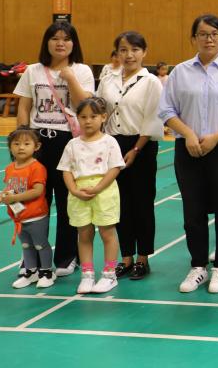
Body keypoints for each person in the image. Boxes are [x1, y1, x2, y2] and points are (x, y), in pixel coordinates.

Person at [159, 14, 218, 294]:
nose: (209, 39)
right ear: (193, 39)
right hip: (188, 148)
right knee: (193, 212)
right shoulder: (180, 72)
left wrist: (216, 137)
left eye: (214, 34)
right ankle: (198, 265)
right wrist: (188, 134)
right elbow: (166, 110)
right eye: (203, 34)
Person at [14, 21, 95, 277]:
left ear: (74, 43)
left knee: (66, 199)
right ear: (46, 42)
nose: (61, 43)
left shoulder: (81, 70)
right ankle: (33, 257)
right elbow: (24, 107)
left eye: (66, 38)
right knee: (35, 201)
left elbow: (84, 106)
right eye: (55, 38)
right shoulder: (33, 71)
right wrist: (23, 140)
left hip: (67, 141)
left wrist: (69, 78)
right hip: (38, 141)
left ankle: (66, 256)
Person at [97, 31, 163, 281]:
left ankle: (142, 258)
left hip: (141, 146)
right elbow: (100, 112)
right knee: (119, 203)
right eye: (123, 50)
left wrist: (135, 150)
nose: (129, 55)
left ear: (144, 52)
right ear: (117, 53)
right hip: (112, 145)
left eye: (135, 49)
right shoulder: (107, 80)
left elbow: (153, 119)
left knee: (142, 204)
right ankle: (126, 257)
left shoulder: (151, 82)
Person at [58, 97, 126, 294]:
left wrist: (98, 188)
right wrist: (73, 190)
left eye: (93, 116)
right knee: (84, 235)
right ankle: (87, 275)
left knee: (107, 233)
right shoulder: (72, 144)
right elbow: (66, 170)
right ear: (77, 118)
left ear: (103, 117)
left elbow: (115, 168)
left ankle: (109, 275)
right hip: (79, 193)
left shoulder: (109, 142)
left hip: (104, 192)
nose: (88, 121)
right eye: (83, 117)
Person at [0, 128, 53, 289]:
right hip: (19, 217)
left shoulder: (37, 168)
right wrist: (0, 197)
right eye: (16, 144)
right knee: (26, 245)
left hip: (36, 215)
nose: (21, 147)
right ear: (10, 147)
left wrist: (15, 198)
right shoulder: (10, 168)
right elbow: (9, 188)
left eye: (26, 143)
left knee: (40, 244)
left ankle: (46, 272)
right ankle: (31, 272)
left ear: (36, 146)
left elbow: (38, 190)